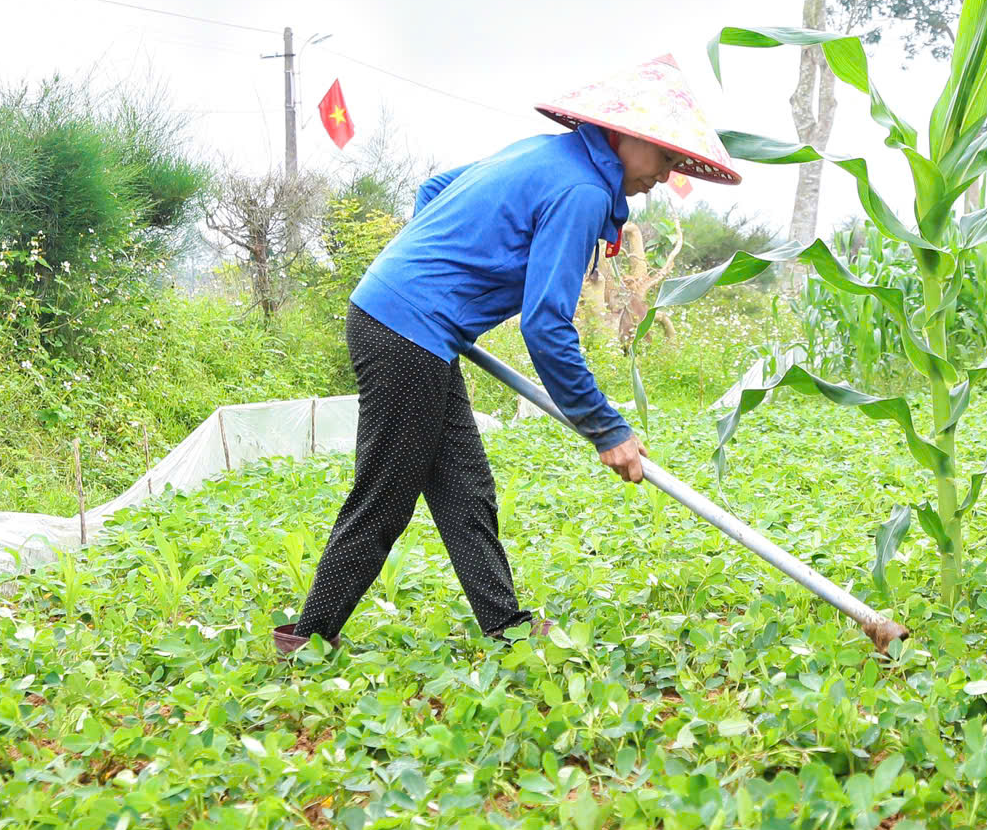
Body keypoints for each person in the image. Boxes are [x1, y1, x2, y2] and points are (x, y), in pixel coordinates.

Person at [275, 55, 741, 654]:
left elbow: (434, 190)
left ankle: (505, 625)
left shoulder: (548, 153)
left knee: (465, 486)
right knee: (386, 492)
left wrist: (443, 278)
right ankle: (307, 638)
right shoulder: (582, 191)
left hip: (411, 326)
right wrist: (606, 428)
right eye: (664, 154)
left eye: (677, 162)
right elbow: (546, 327)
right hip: (404, 332)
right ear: (623, 135)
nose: (665, 173)